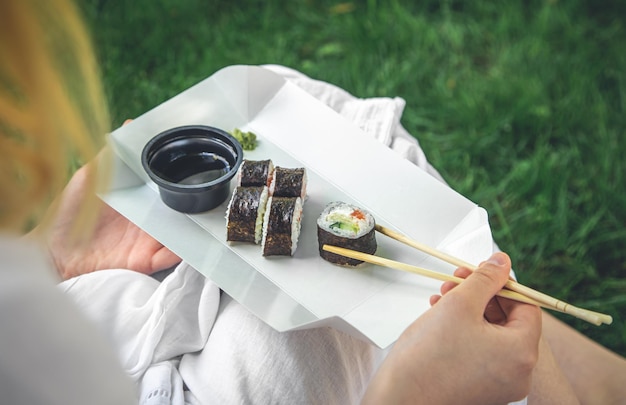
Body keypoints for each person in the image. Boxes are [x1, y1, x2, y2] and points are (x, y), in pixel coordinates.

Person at [2, 1, 625, 405]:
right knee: (376, 324)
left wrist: (49, 255)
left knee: (289, 94)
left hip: (77, 306)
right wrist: (411, 394)